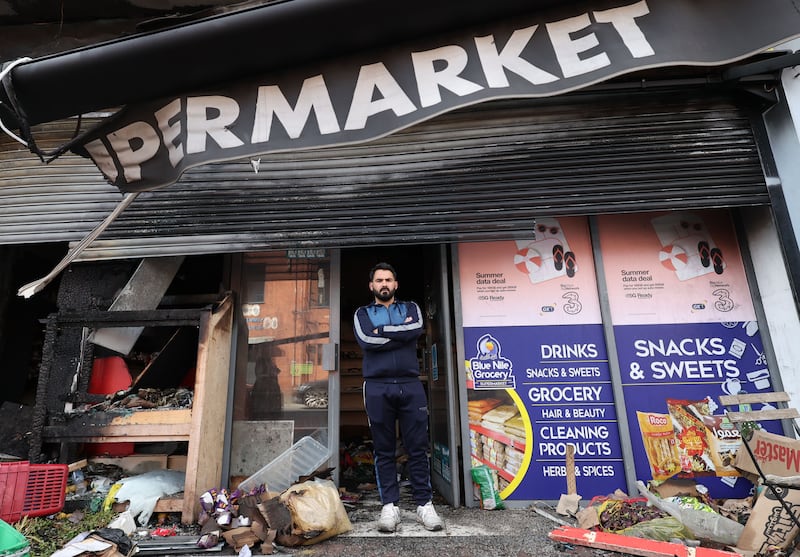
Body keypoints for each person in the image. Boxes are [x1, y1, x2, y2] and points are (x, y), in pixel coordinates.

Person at [353, 262, 444, 533]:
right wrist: (398, 333)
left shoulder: (411, 309)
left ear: (396, 284)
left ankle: (424, 505)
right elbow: (366, 340)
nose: (384, 284)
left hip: (409, 384)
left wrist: (383, 332)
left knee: (417, 447)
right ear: (371, 286)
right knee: (383, 450)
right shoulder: (362, 313)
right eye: (379, 280)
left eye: (388, 280)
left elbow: (415, 329)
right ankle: (389, 507)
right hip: (377, 386)